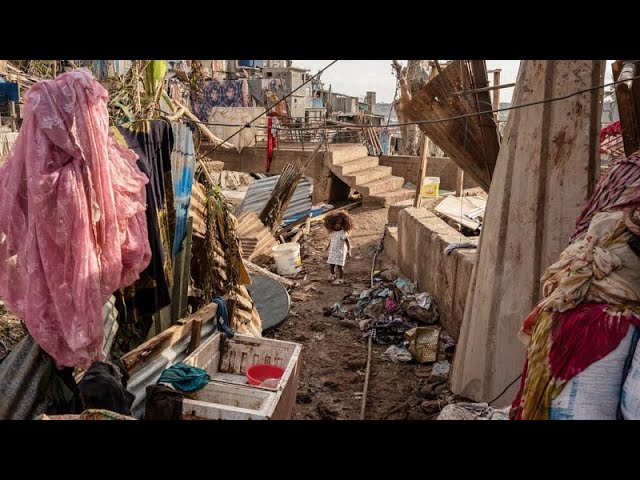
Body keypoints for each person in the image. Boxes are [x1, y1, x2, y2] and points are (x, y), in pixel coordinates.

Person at [324, 211, 354, 285]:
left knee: (339, 266)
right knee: (331, 263)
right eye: (335, 224)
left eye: (339, 224)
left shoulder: (343, 233)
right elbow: (332, 239)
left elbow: (348, 242)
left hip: (341, 251)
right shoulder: (332, 232)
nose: (337, 225)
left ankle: (341, 279)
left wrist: (349, 251)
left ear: (342, 224)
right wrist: (328, 246)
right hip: (333, 250)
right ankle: (332, 274)